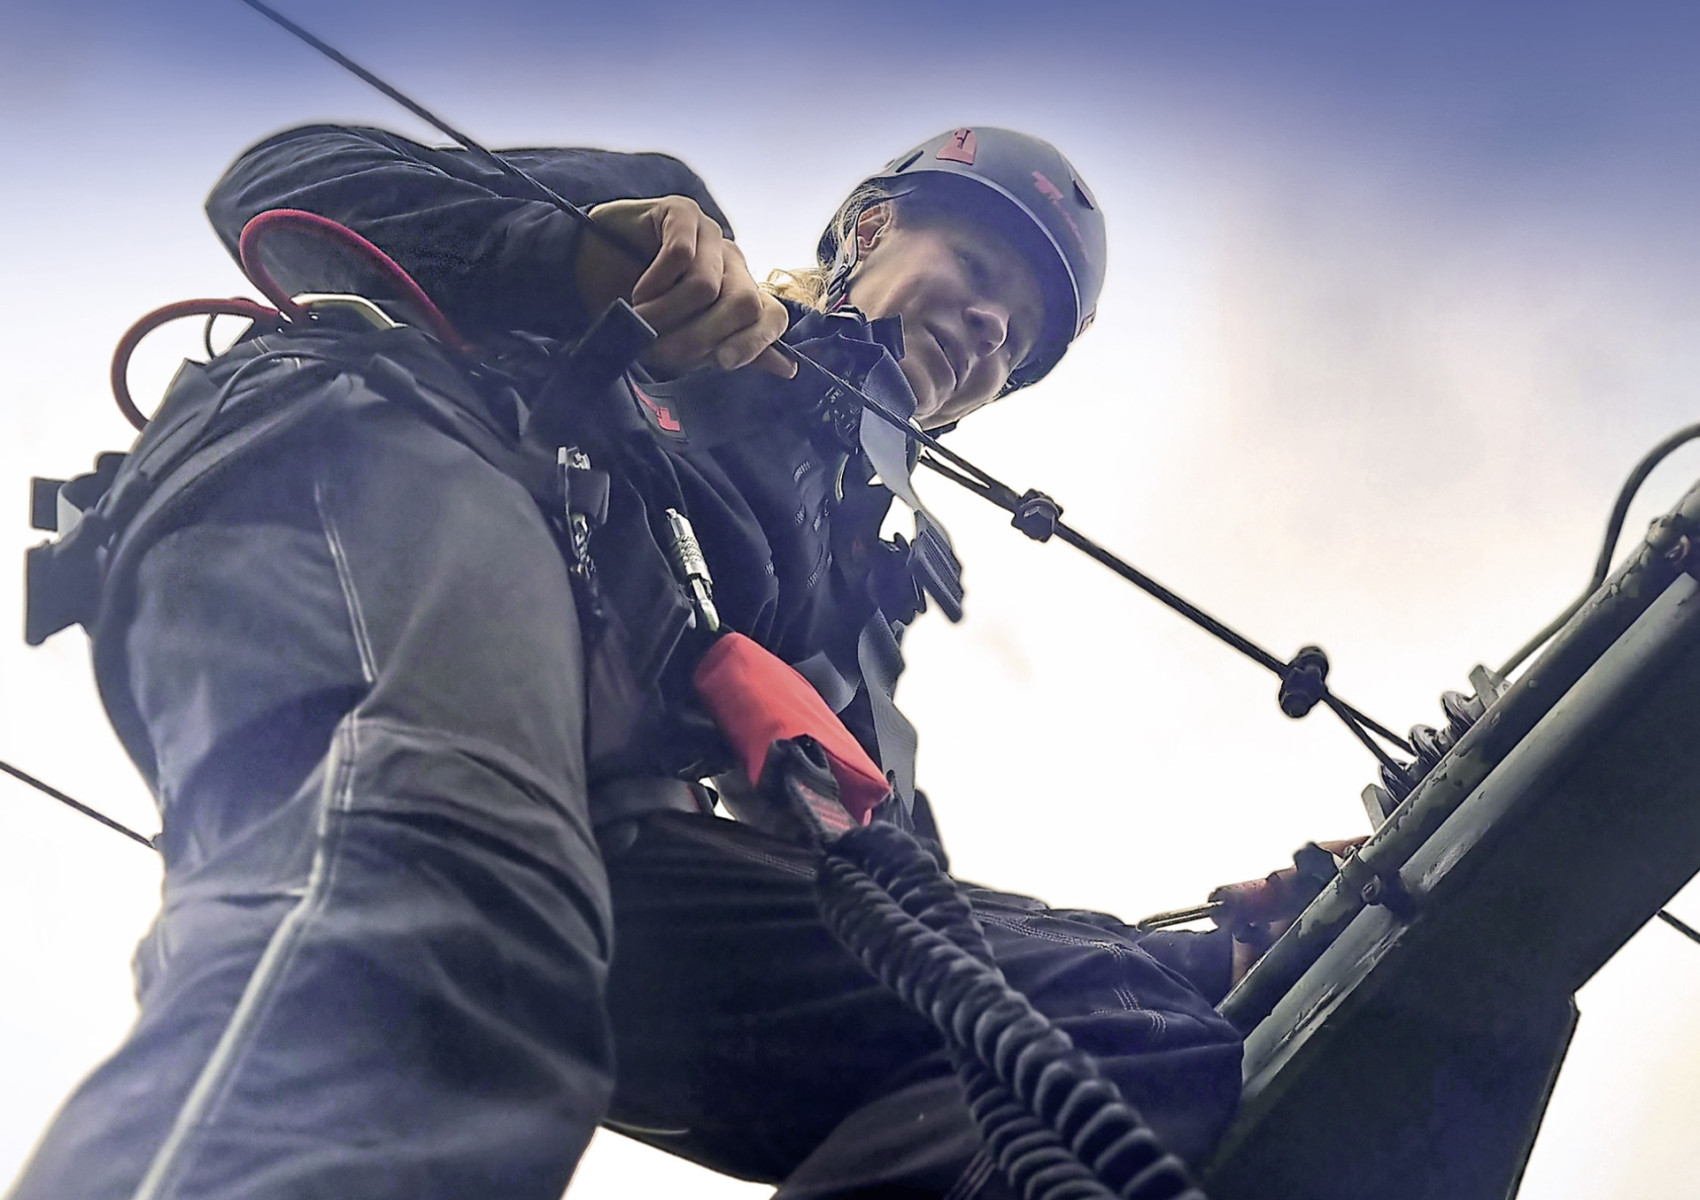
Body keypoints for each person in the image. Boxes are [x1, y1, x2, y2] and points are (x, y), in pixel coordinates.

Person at [11, 123, 1245, 1200]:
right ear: (869, 228)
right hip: (383, 486)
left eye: (1016, 336)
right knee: (454, 892)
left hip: (610, 830)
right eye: (978, 271)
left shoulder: (861, 588)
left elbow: (901, 895)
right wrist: (579, 250)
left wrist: (1201, 957)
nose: (986, 326)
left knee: (1102, 1029)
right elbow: (283, 192)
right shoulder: (668, 243)